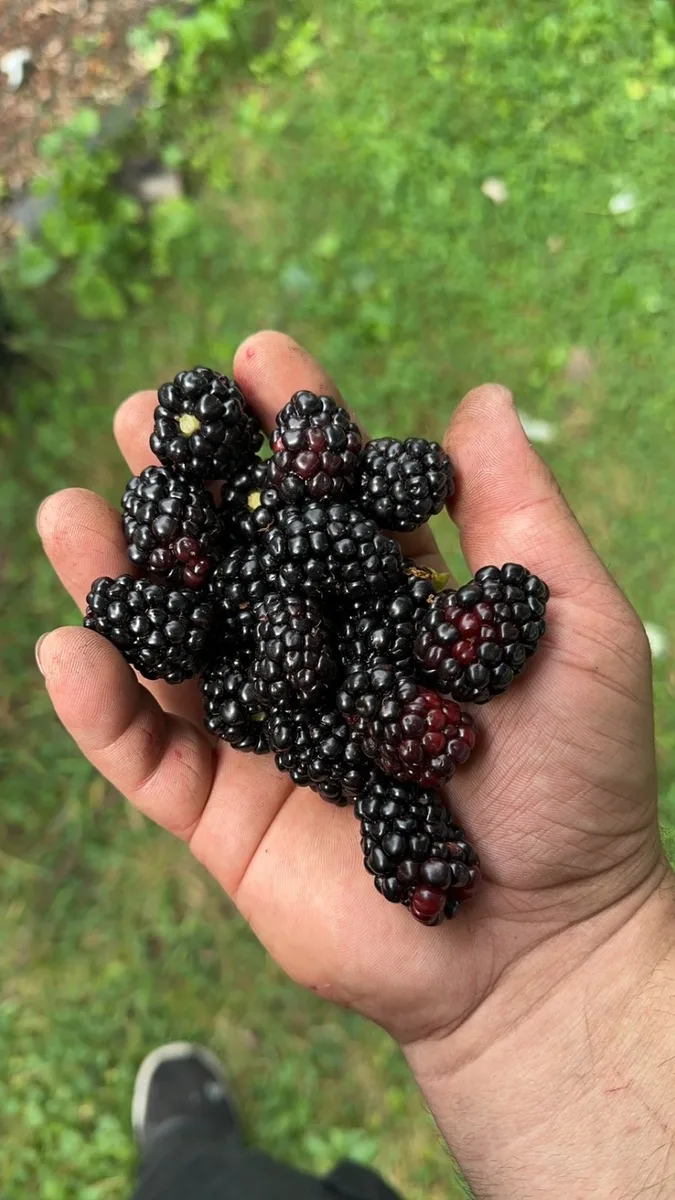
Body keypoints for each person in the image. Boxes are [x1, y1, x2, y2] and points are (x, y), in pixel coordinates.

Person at [36, 330, 675, 1200]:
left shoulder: (352, 640)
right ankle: (187, 1157)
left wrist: (573, 957)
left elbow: (332, 606)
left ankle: (185, 1155)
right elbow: (280, 632)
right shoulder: (267, 640)